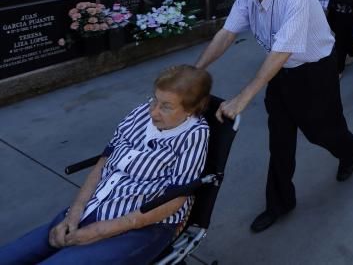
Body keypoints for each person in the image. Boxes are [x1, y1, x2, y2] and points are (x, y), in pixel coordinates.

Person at [196, 0, 353, 233]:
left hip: (315, 72)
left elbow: (282, 52)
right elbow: (227, 33)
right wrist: (195, 71)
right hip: (280, 73)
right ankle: (279, 202)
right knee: (280, 141)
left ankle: (350, 151)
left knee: (322, 133)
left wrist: (243, 98)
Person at [0, 66, 211, 263]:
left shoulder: (194, 134)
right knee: (9, 255)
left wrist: (104, 230)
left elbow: (176, 198)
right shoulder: (141, 113)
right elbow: (104, 161)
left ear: (191, 109)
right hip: (93, 207)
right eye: (154, 100)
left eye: (166, 106)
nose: (153, 112)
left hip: (141, 227)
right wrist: (75, 212)